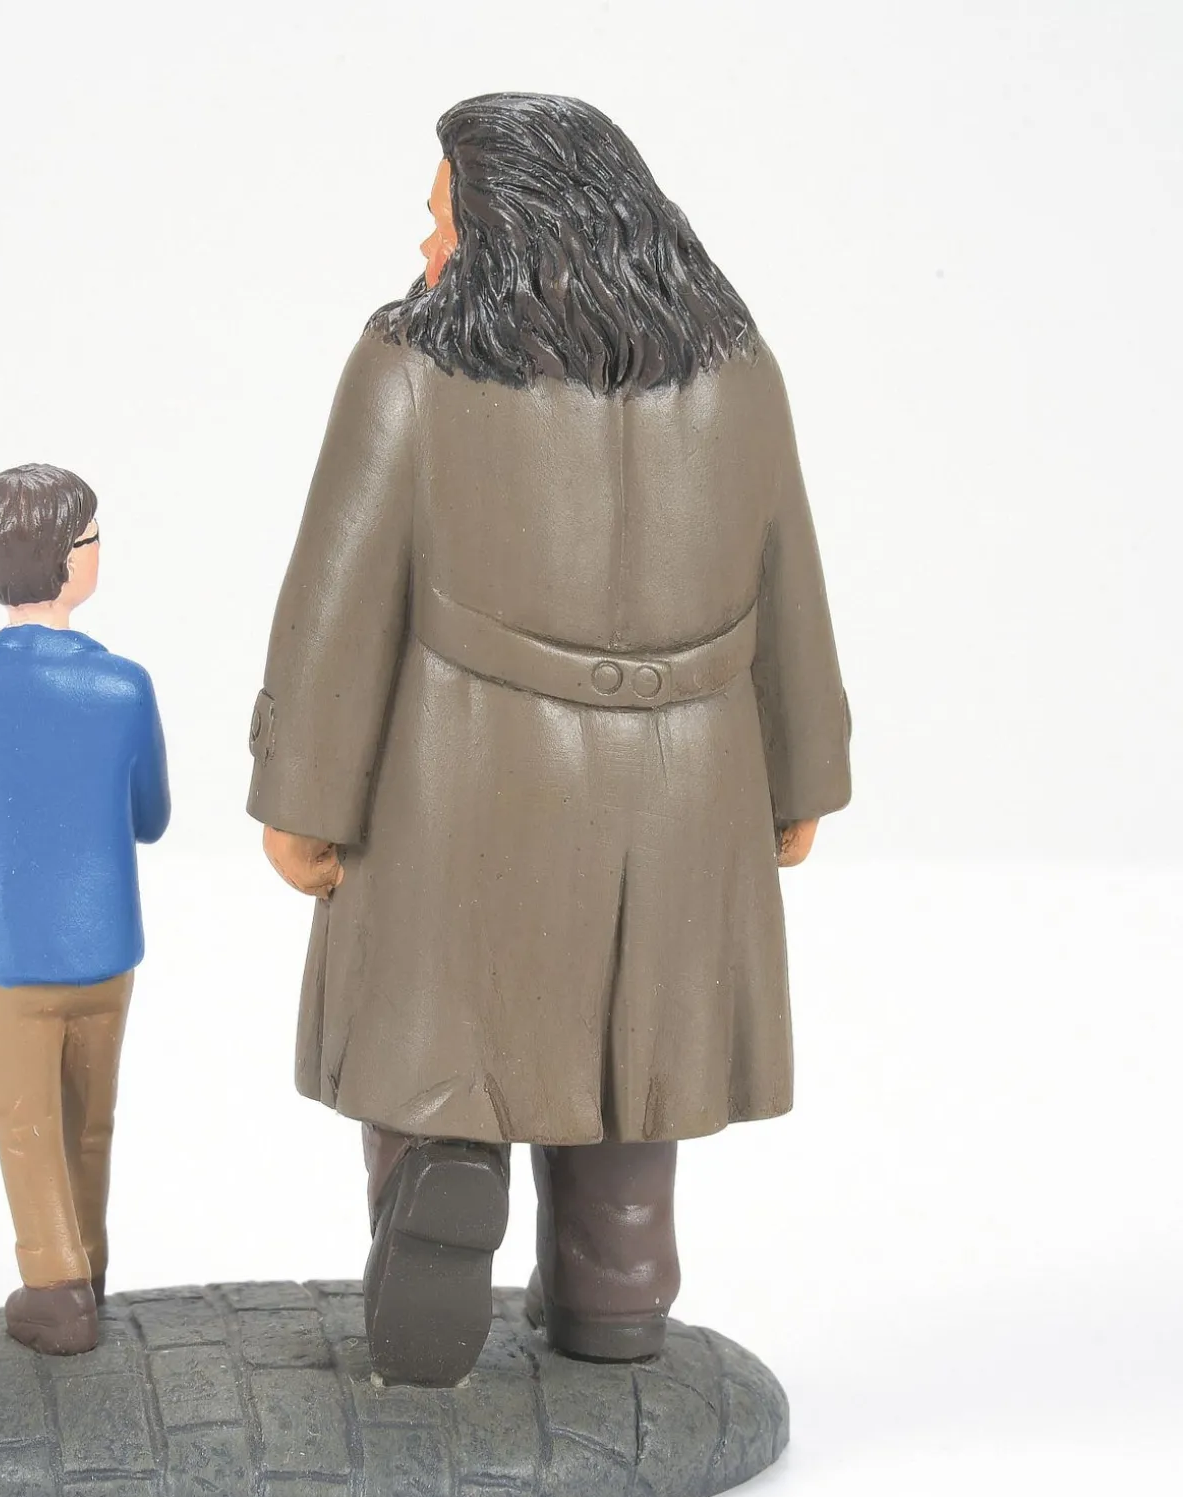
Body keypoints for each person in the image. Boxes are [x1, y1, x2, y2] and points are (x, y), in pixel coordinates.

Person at [247, 94, 851, 1386]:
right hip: (692, 777)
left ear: (510, 225)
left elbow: (341, 598)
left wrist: (302, 793)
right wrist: (803, 771)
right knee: (642, 1055)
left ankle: (444, 1175)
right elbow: (788, 575)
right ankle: (616, 1293)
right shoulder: (739, 369)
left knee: (442, 1036)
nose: (428, 248)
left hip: (467, 769)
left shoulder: (412, 367)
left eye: (444, 220)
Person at [0, 464, 169, 1355]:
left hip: (12, 947)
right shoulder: (125, 686)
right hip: (107, 946)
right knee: (88, 1120)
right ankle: (86, 1266)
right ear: (68, 560)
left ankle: (54, 1285)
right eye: (93, 537)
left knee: (26, 1122)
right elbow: (151, 817)